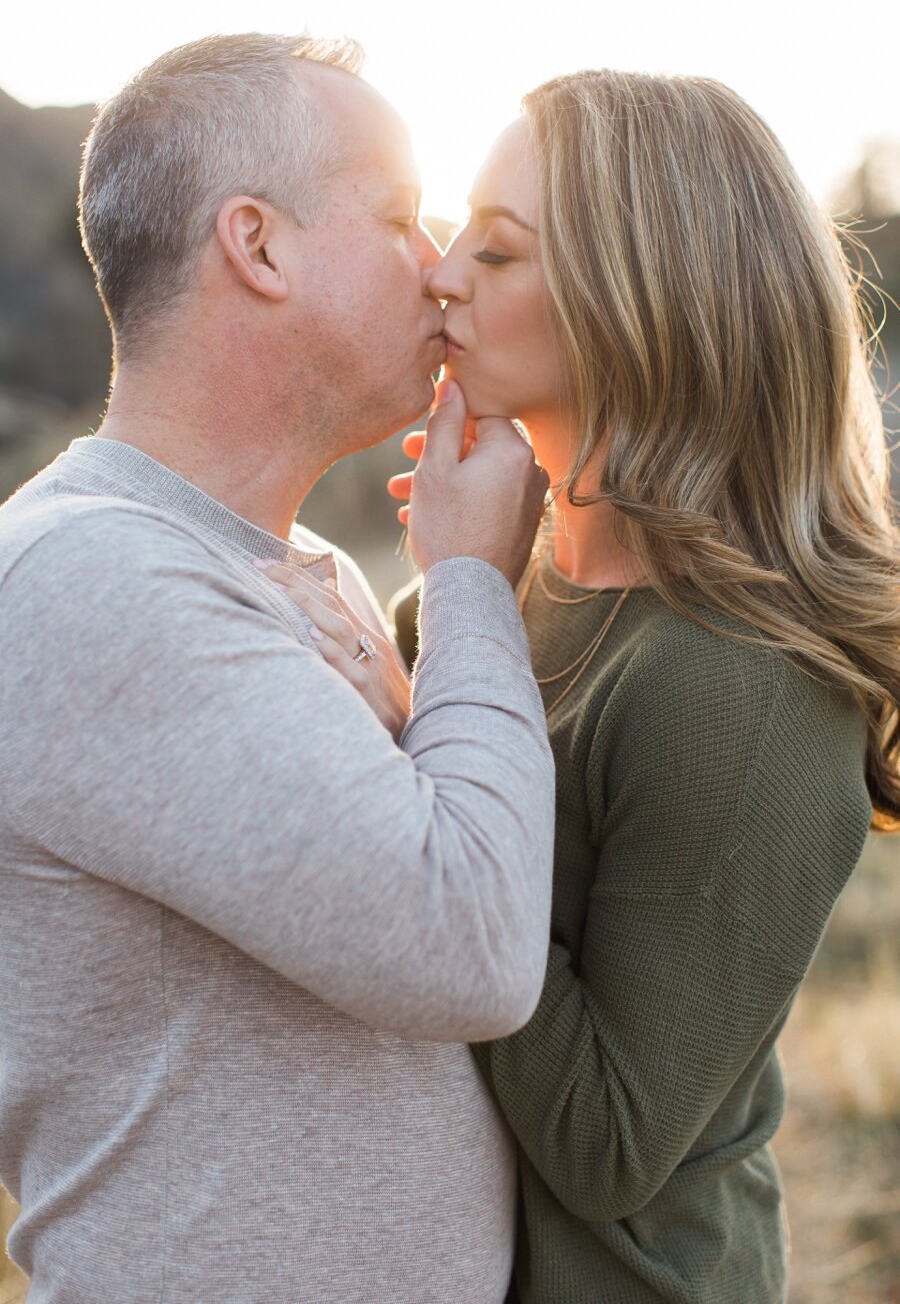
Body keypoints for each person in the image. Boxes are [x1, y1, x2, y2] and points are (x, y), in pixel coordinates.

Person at [320, 70, 899, 1302]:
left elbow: (608, 1145)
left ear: (640, 302)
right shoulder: (489, 600)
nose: (442, 273)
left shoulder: (741, 688)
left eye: (501, 250)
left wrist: (430, 844)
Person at [0, 35, 557, 1303]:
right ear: (258, 246)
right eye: (402, 220)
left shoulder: (296, 566)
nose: (441, 274)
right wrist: (469, 581)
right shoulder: (91, 580)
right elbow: (466, 941)